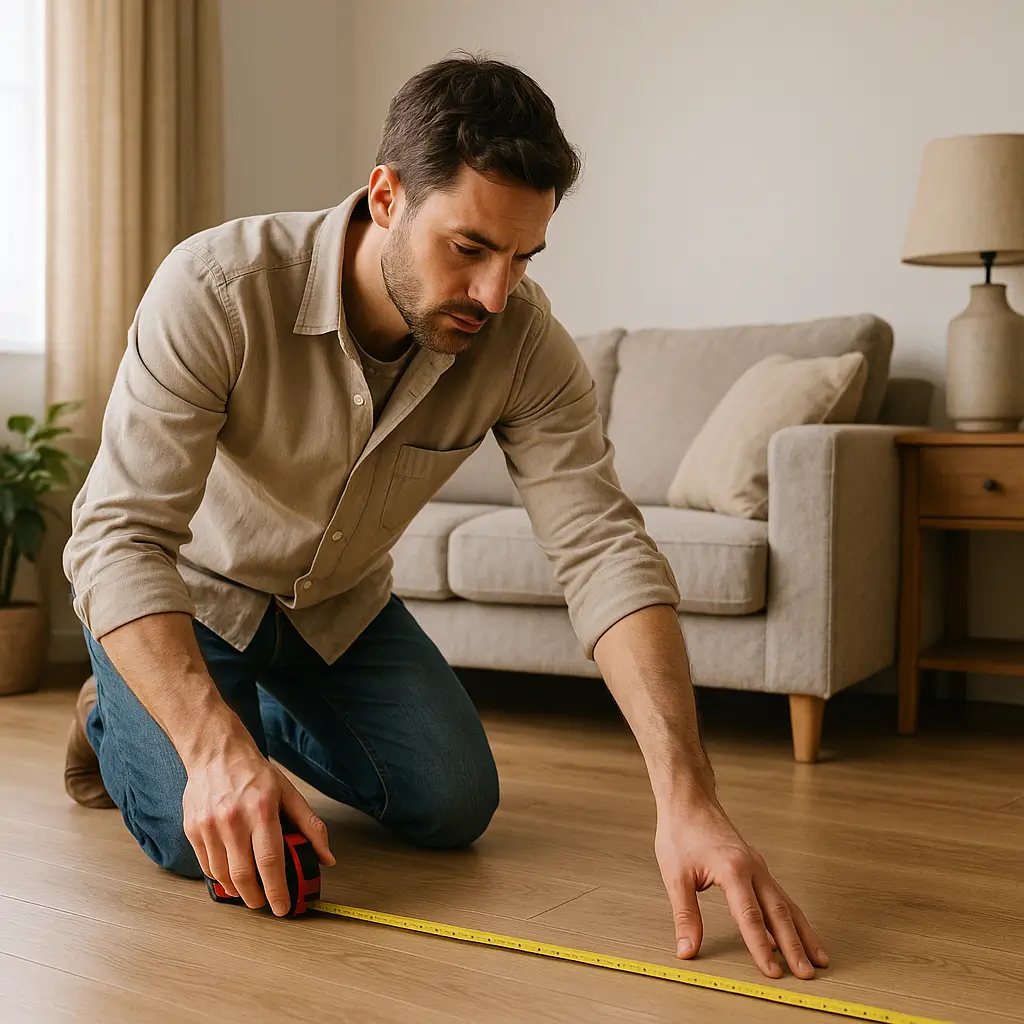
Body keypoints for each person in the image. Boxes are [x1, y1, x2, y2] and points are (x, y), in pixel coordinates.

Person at [63, 53, 828, 982]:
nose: (496, 294)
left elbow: (603, 549)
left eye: (524, 256)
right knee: (207, 837)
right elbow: (118, 537)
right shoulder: (217, 288)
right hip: (189, 600)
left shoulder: (521, 341)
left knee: (453, 806)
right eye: (469, 248)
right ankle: (126, 702)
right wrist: (215, 750)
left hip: (337, 608)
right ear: (386, 196)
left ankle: (221, 712)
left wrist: (689, 796)